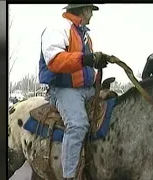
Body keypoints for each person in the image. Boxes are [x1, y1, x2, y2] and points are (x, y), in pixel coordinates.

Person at [38, 4, 110, 180]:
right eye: (91, 10)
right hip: (63, 89)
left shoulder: (84, 34)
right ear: (84, 10)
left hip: (86, 89)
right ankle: (69, 176)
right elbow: (55, 61)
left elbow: (84, 67)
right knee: (78, 124)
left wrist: (97, 70)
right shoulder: (58, 27)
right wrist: (86, 59)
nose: (92, 14)